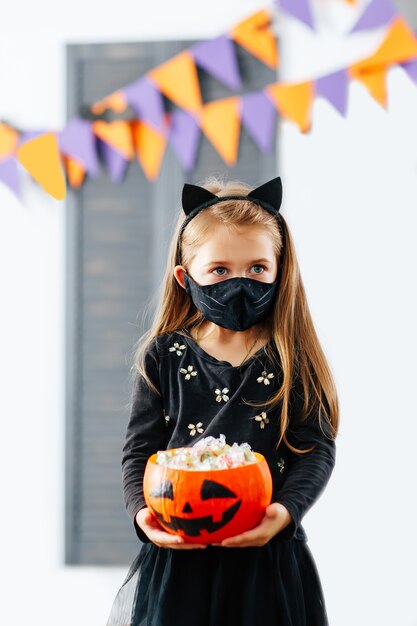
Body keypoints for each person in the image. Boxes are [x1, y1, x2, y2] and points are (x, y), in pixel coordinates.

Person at [106, 175, 339, 626]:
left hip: (266, 562)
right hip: (180, 561)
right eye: (219, 270)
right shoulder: (164, 356)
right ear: (185, 276)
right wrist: (142, 513)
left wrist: (284, 512)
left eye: (256, 269)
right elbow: (139, 452)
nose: (239, 282)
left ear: (279, 270)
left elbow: (316, 449)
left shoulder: (291, 356)